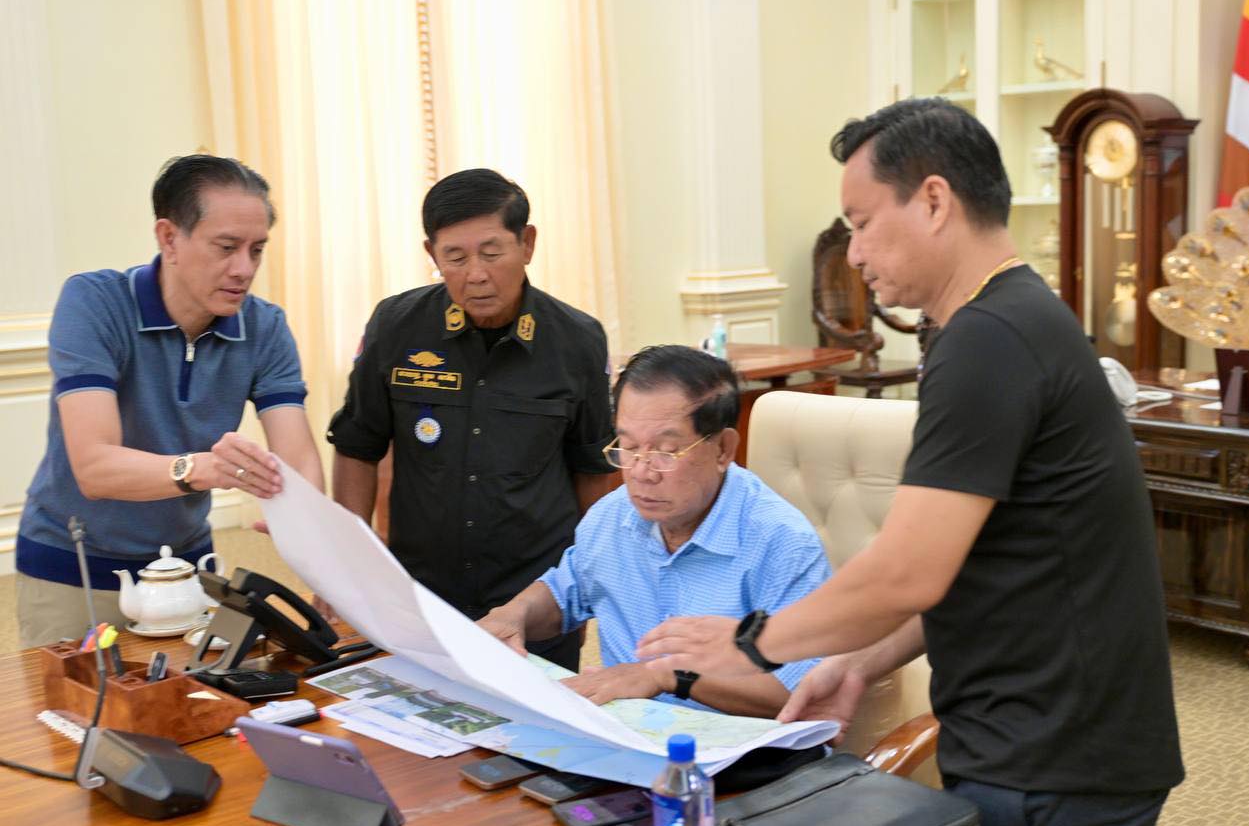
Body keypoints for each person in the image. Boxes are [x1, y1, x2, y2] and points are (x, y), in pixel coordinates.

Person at [637, 99, 1183, 826]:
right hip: (1051, 736)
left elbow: (905, 573)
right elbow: (981, 563)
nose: (854, 253)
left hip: (1056, 759)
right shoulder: (1011, 318)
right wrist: (862, 659)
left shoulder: (989, 338)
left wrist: (753, 641)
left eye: (862, 223)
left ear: (933, 201)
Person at [16, 155, 324, 648]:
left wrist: (309, 530)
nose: (244, 269)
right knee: (75, 701)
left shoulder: (264, 326)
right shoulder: (94, 302)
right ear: (169, 238)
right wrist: (201, 468)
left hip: (187, 568)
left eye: (257, 250)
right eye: (226, 247)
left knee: (195, 696)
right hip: (74, 567)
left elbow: (298, 456)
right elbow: (94, 468)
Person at [328, 168, 616, 671]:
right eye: (455, 258)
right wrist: (351, 560)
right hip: (421, 593)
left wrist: (584, 587)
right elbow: (358, 445)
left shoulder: (577, 340)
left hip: (533, 596)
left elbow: (594, 471)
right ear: (432, 254)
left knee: (536, 720)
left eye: (491, 252)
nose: (475, 274)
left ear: (527, 244)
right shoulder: (396, 327)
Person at [477, 345, 831, 717]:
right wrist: (514, 613)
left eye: (666, 451)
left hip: (736, 749)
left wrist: (669, 676)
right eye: (629, 447)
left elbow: (800, 694)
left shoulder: (781, 541)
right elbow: (565, 594)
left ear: (724, 449)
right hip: (625, 738)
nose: (641, 472)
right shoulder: (611, 517)